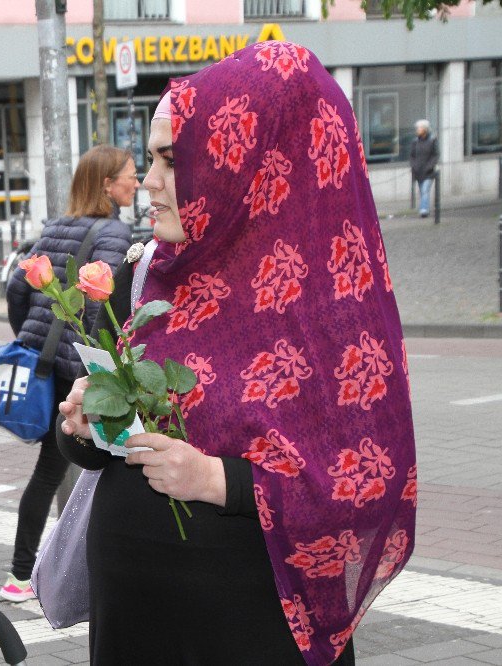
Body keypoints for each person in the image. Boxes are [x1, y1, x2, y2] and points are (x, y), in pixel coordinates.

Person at [58, 42, 416, 665]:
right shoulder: (147, 276)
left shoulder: (330, 304)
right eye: (149, 159)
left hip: (250, 632)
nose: (149, 182)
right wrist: (82, 426)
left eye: (174, 159)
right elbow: (98, 451)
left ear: (247, 164)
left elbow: (369, 485)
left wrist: (218, 480)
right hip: (132, 626)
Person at [0, 144, 137, 602]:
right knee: (82, 472)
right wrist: (103, 364)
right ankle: (33, 575)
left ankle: (31, 572)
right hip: (81, 372)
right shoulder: (115, 231)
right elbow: (105, 307)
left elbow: (19, 285)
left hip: (49, 364)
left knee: (53, 470)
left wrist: (31, 336)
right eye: (130, 176)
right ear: (106, 184)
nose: (137, 183)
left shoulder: (56, 226)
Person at [410, 119, 438, 217]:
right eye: (417, 128)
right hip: (418, 171)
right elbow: (412, 155)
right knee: (422, 191)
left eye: (419, 128)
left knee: (425, 190)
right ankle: (424, 207)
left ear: (425, 129)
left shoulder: (432, 140)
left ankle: (424, 210)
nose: (417, 130)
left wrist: (430, 166)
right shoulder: (415, 142)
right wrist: (413, 165)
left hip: (428, 171)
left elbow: (435, 155)